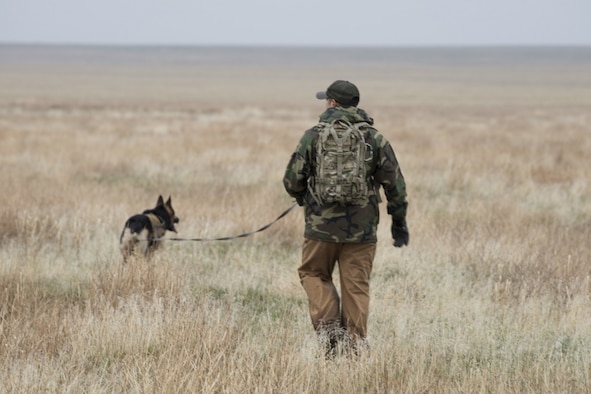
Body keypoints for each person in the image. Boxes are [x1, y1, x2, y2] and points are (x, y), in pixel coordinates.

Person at [283, 80, 409, 358]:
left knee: (313, 274)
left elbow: (292, 179)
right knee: (356, 287)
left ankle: (330, 336)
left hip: (320, 229)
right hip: (362, 231)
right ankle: (353, 348)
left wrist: (305, 198)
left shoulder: (313, 136)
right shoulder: (374, 138)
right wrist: (399, 222)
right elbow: (395, 185)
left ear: (332, 103)